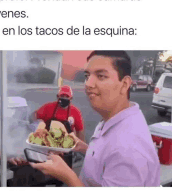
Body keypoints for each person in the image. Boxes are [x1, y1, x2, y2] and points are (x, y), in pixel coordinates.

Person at [30, 51, 161, 187]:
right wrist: (84, 148)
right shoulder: (113, 118)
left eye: (101, 76)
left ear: (125, 84)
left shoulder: (129, 150)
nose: (88, 83)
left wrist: (67, 176)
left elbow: (119, 153)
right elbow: (109, 159)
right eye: (87, 76)